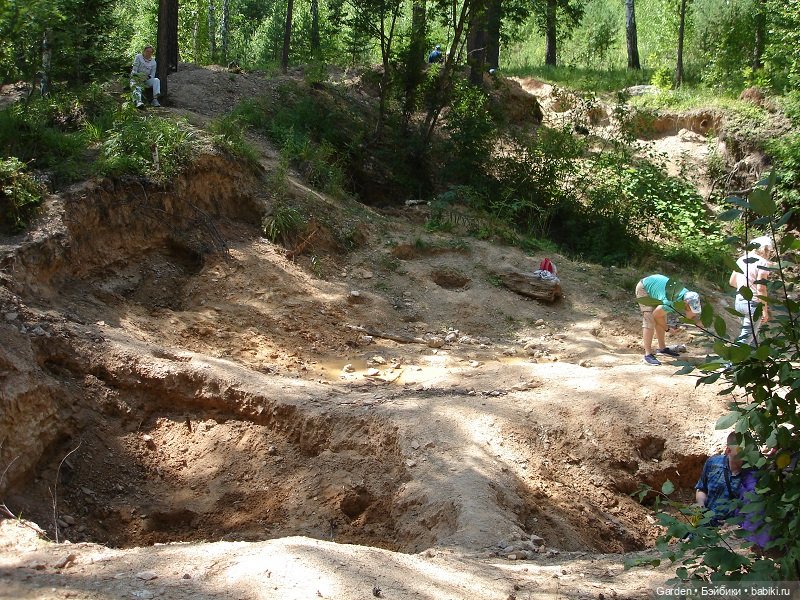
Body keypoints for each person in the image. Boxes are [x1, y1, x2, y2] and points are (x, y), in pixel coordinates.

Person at [635, 273, 701, 366]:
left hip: (656, 287)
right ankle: (647, 355)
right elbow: (655, 315)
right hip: (645, 288)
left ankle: (662, 349)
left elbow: (691, 313)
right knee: (650, 319)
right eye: (691, 307)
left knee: (662, 316)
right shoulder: (671, 301)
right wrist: (667, 329)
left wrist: (686, 323)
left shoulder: (689, 296)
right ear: (686, 303)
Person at [729, 235, 774, 346]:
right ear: (766, 249)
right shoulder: (763, 263)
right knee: (746, 338)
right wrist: (764, 309)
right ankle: (730, 362)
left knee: (752, 335)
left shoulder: (741, 260)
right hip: (753, 304)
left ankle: (752, 361)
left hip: (739, 302)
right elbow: (761, 288)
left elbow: (732, 282)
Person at [695, 431, 744, 525]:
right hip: (706, 521)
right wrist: (700, 504)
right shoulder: (713, 463)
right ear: (728, 450)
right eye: (741, 450)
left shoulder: (751, 474)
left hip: (733, 530)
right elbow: (701, 489)